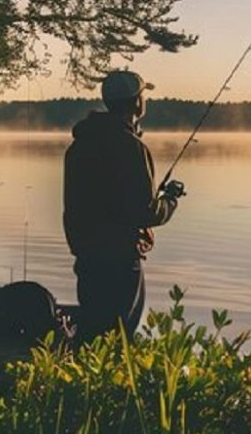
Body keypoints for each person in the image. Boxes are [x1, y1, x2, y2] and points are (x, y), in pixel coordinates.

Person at [63, 70, 183, 341]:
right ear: (136, 103)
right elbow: (145, 212)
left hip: (87, 255)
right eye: (143, 95)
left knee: (94, 330)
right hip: (119, 259)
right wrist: (170, 201)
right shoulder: (130, 147)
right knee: (119, 336)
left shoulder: (80, 146)